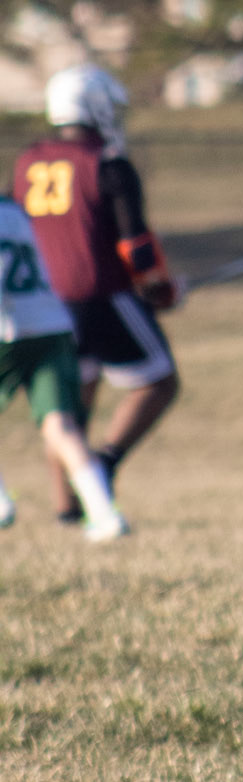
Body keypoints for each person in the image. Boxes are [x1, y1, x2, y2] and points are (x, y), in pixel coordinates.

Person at [14, 64, 180, 520]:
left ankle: (67, 505)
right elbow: (136, 244)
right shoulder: (107, 163)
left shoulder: (27, 162)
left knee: (68, 406)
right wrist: (159, 289)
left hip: (46, 301)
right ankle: (104, 465)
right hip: (100, 293)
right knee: (160, 381)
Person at [0, 190, 129, 541]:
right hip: (50, 323)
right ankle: (104, 515)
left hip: (6, 326)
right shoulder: (17, 210)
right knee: (61, 424)